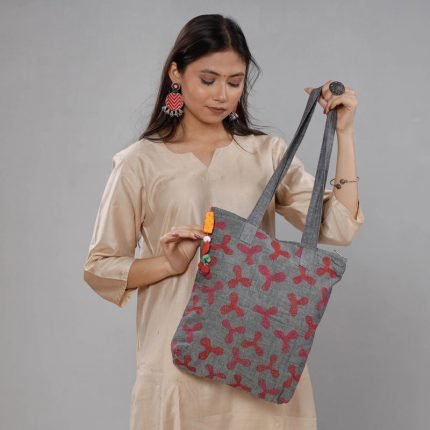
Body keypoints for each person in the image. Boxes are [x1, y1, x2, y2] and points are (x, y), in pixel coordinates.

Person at [83, 13, 364, 430]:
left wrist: (344, 134)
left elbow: (339, 226)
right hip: (177, 370)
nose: (222, 95)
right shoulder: (139, 163)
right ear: (176, 74)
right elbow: (100, 267)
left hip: (260, 366)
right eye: (208, 79)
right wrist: (168, 263)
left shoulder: (266, 154)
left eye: (235, 82)